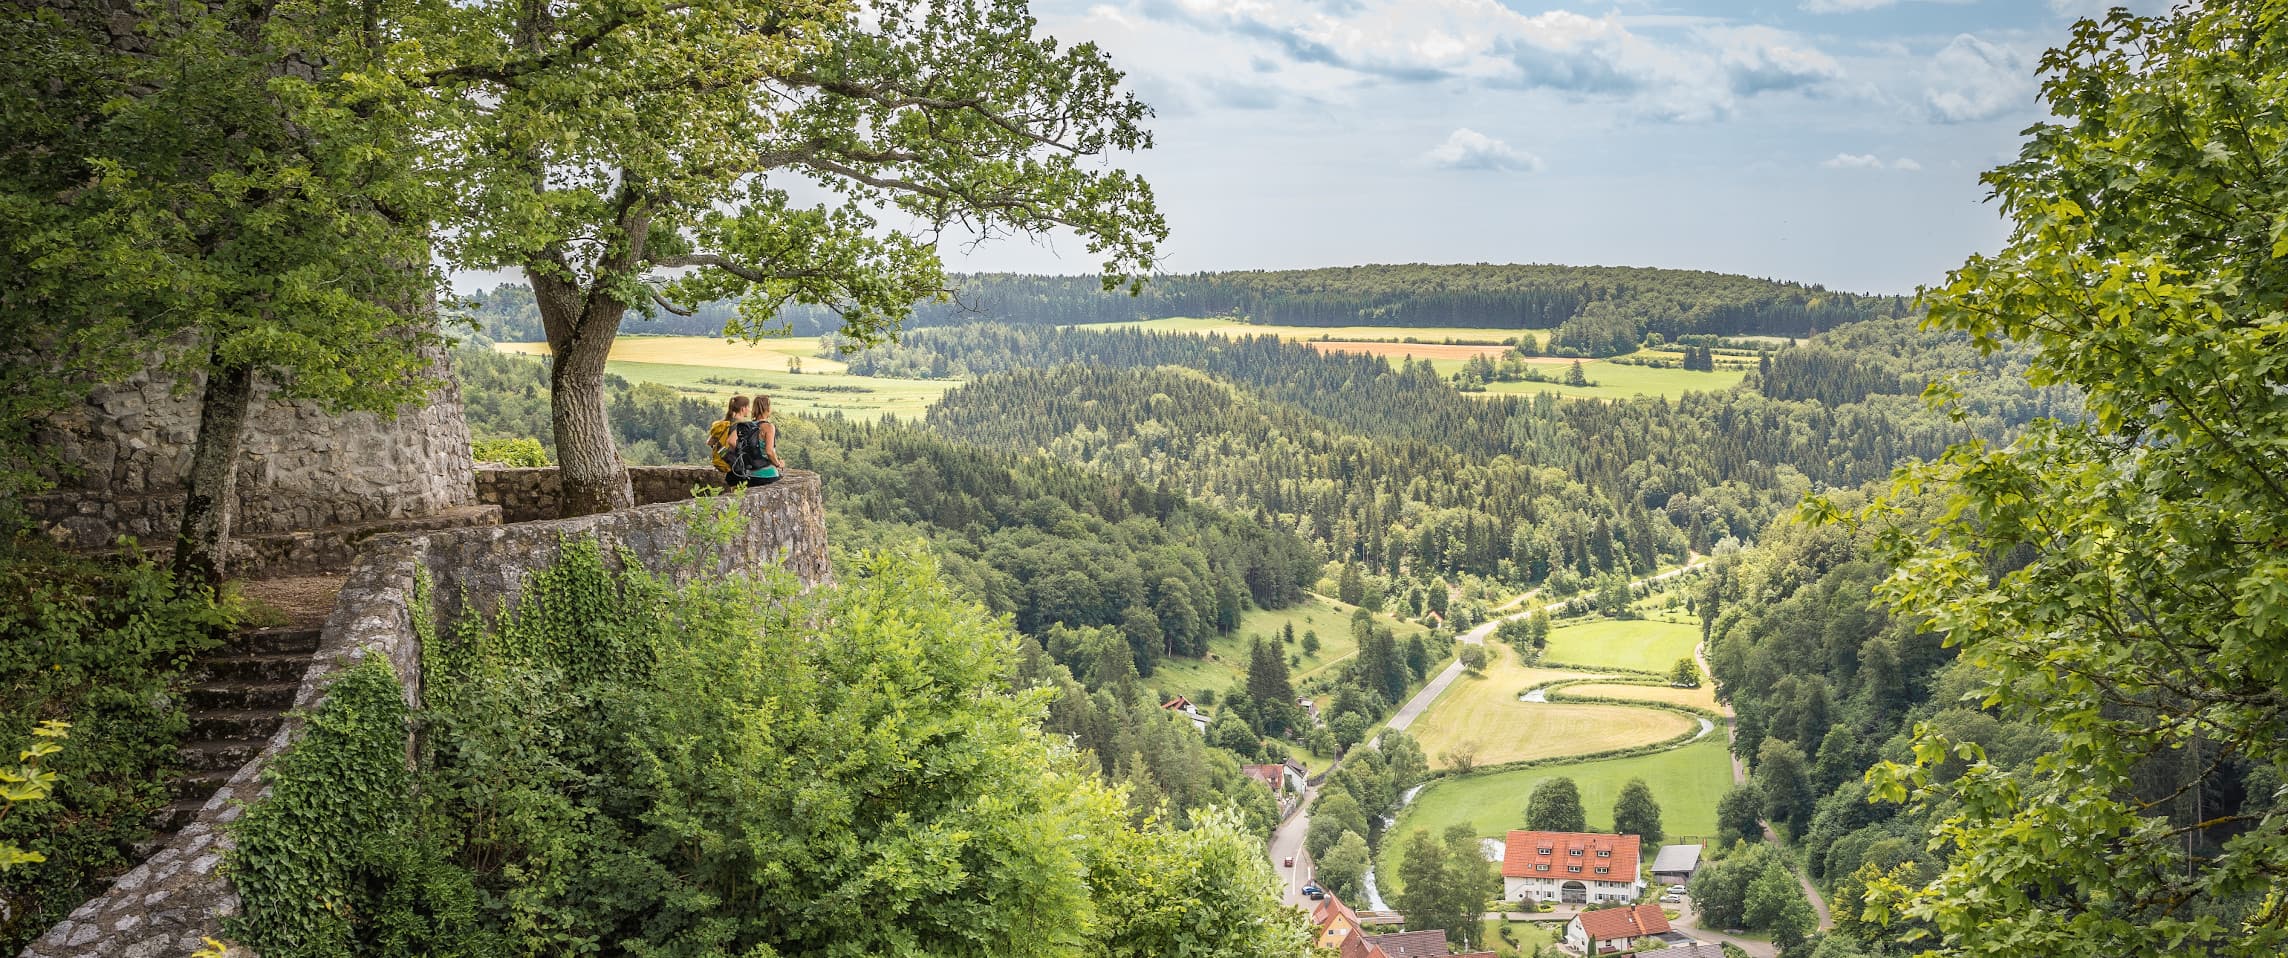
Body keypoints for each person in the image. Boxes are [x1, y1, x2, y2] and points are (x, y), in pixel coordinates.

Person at [709, 395, 751, 488]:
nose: (749, 409)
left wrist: (723, 451)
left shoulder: (724, 423)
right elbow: (732, 441)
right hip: (735, 465)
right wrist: (742, 452)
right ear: (743, 408)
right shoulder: (740, 424)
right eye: (748, 407)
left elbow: (710, 442)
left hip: (726, 462)